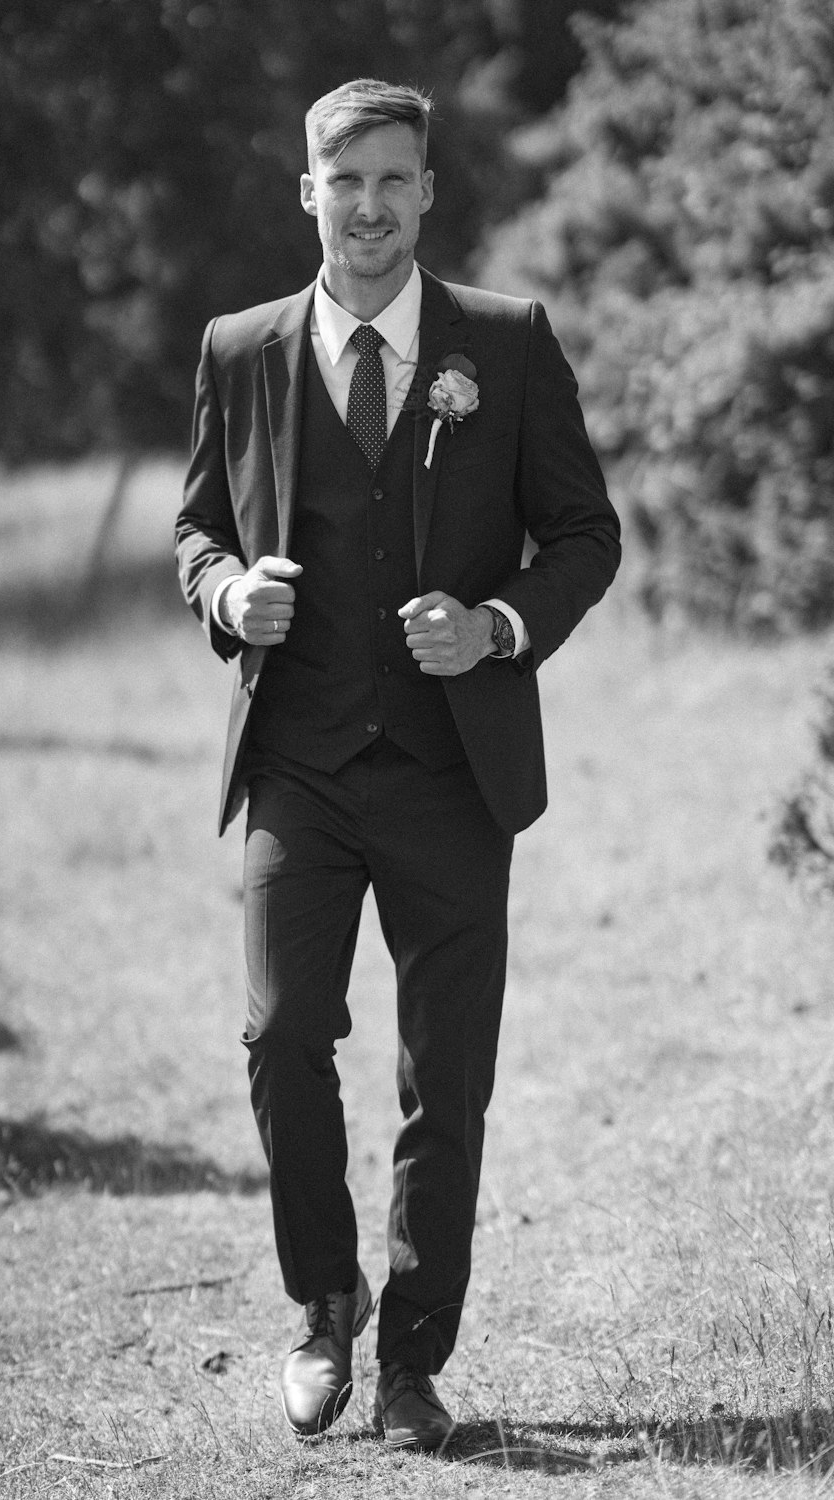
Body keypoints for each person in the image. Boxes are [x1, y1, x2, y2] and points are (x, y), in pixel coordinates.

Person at [175, 78, 620, 1451]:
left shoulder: (508, 341)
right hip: (298, 761)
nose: (367, 206)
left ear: (428, 191)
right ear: (305, 191)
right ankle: (325, 1306)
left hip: (447, 771)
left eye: (392, 179)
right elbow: (194, 532)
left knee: (448, 1073)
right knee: (278, 1032)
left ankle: (417, 1364)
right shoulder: (241, 349)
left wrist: (496, 626)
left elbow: (586, 537)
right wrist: (226, 591)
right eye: (342, 179)